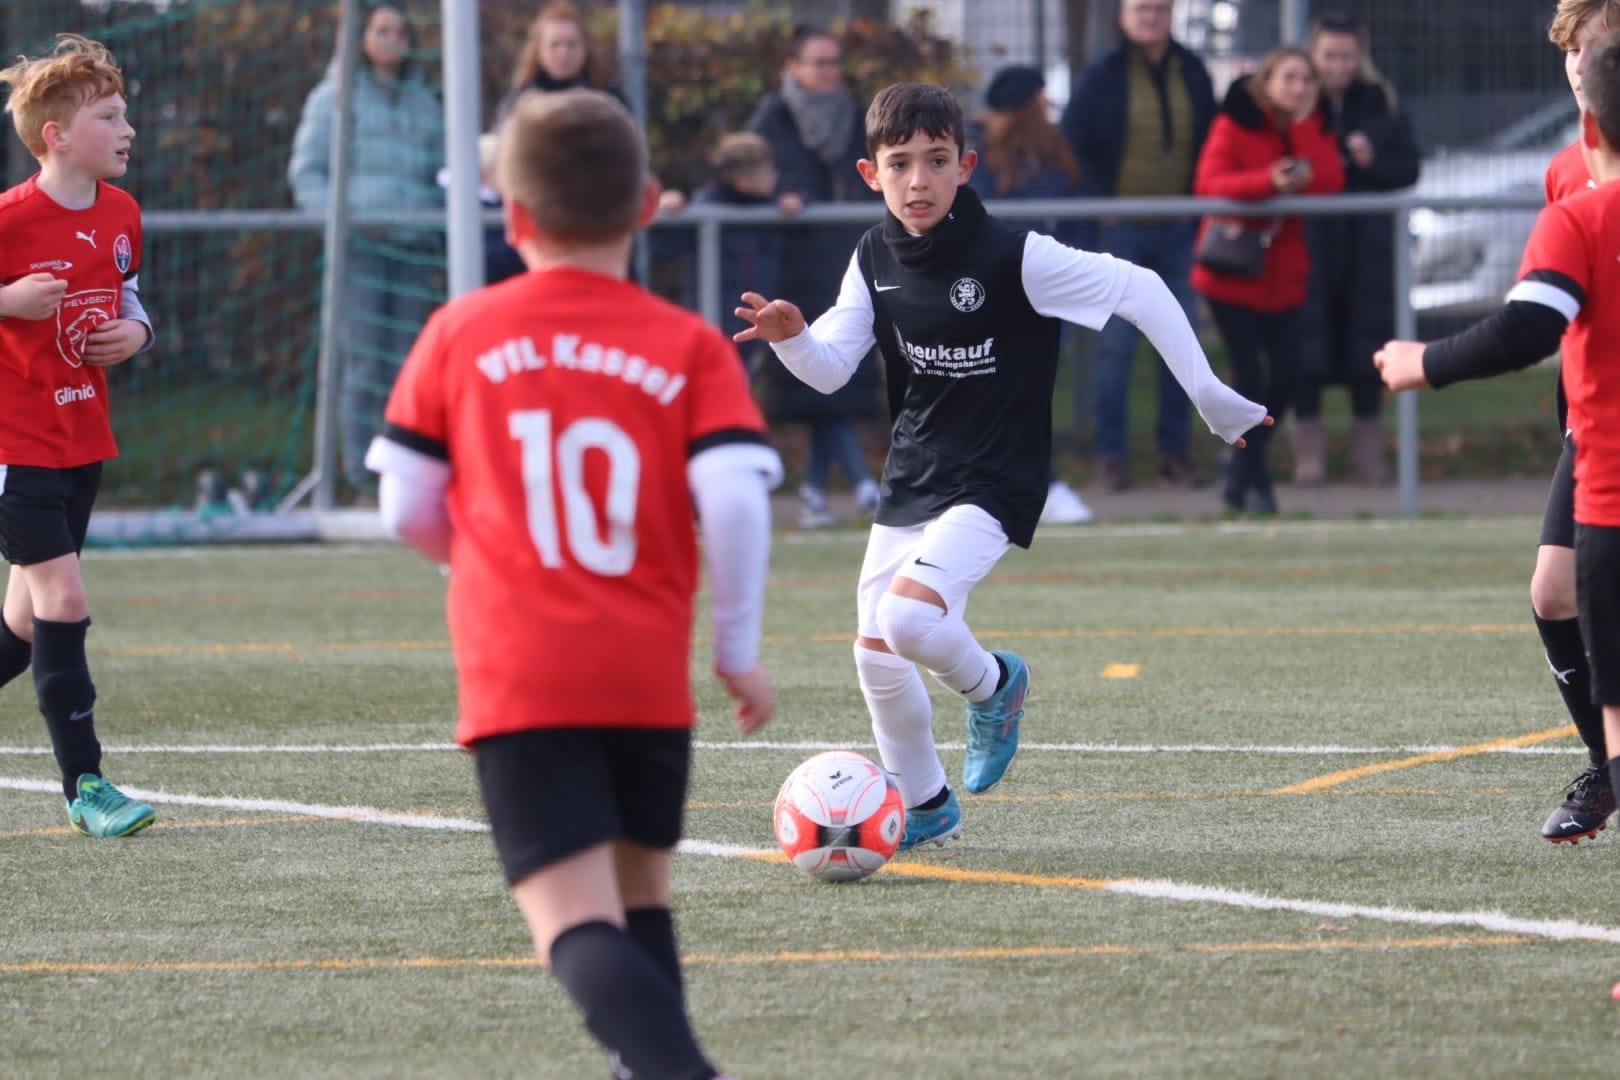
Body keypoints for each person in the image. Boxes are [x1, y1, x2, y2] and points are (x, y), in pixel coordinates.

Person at [734, 82, 1268, 849]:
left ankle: (994, 686)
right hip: (915, 469)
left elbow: (1143, 287)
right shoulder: (872, 255)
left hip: (997, 475)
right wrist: (792, 338)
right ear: (870, 175)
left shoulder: (1017, 256)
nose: (918, 180)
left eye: (937, 160)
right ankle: (927, 807)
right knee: (876, 654)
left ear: (966, 166)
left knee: (908, 618)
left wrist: (1211, 396)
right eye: (899, 164)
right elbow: (829, 370)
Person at [366, 89, 777, 1080]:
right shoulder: (687, 343)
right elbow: (735, 498)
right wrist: (736, 647)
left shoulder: (461, 332)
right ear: (647, 204)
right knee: (640, 902)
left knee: (575, 925)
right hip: (645, 675)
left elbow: (404, 505)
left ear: (512, 214)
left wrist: (477, 559)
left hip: (523, 676)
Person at [1376, 0, 1616, 844]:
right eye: (1576, 49)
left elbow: (1524, 330)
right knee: (1554, 591)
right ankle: (1606, 766)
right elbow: (1549, 325)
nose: (1585, 64)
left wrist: (1424, 362)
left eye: (1601, 49)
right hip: (1595, 433)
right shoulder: (1565, 179)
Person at [0, 34, 156, 837]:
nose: (127, 128)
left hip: (81, 437)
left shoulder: (123, 212)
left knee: (26, 630)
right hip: (16, 443)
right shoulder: (10, 219)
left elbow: (128, 299)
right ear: (56, 135)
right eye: (109, 116)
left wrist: (138, 334)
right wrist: (7, 300)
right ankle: (86, 786)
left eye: (125, 113)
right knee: (64, 600)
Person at [1061, 0, 1217, 492]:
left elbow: (1210, 139)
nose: (1152, 17)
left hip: (1179, 226)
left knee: (1181, 344)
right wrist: (1100, 204)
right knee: (1116, 348)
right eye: (1142, 8)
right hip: (1120, 229)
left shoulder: (1192, 70)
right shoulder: (1102, 75)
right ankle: (1111, 457)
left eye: (1161, 8)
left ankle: (1176, 453)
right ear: (1123, 16)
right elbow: (1073, 143)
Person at [288, 3, 444, 497]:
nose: (393, 38)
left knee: (408, 361)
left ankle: (404, 473)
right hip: (360, 249)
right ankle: (360, 475)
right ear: (361, 37)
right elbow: (307, 174)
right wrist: (340, 224)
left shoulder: (426, 103)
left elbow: (443, 172)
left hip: (415, 247)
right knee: (363, 361)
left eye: (401, 31)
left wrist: (438, 212)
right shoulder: (333, 98)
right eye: (382, 29)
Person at [1191, 47, 1345, 515]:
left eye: (1307, 80)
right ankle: (1254, 483)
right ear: (1267, 81)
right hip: (1232, 274)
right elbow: (1210, 183)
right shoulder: (1234, 123)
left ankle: (1241, 471)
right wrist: (1266, 182)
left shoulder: (1312, 125)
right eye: (1289, 78)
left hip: (1284, 276)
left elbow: (1330, 179)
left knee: (1287, 377)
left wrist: (1303, 127)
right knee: (1250, 376)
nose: (1299, 88)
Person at [746, 25, 882, 528]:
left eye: (834, 62)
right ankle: (859, 485)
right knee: (818, 384)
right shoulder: (771, 119)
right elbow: (744, 176)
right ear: (793, 67)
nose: (830, 72)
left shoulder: (859, 117)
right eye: (819, 62)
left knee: (838, 380)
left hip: (846, 260)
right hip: (794, 268)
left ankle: (818, 493)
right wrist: (776, 196)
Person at [1293, 13, 1421, 486]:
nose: (1339, 66)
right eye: (1330, 56)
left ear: (1360, 56)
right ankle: (1309, 458)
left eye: (1347, 56)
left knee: (1368, 348)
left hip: (1367, 247)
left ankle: (1370, 458)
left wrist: (1372, 161)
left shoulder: (1380, 101)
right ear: (1314, 54)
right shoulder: (1297, 100)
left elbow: (1408, 167)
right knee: (1306, 343)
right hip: (1309, 243)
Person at [968, 64, 1094, 526]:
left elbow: (1075, 212)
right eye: (1039, 98)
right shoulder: (979, 154)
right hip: (993, 293)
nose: (1048, 106)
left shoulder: (1053, 151)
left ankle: (1039, 484)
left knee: (1026, 396)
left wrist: (1073, 264)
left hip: (1045, 293)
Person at [653, 132, 796, 374]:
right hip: (717, 321)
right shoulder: (706, 207)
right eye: (767, 171)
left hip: (760, 323)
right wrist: (665, 211)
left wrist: (799, 201)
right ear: (742, 180)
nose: (775, 175)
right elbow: (662, 247)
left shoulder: (773, 205)